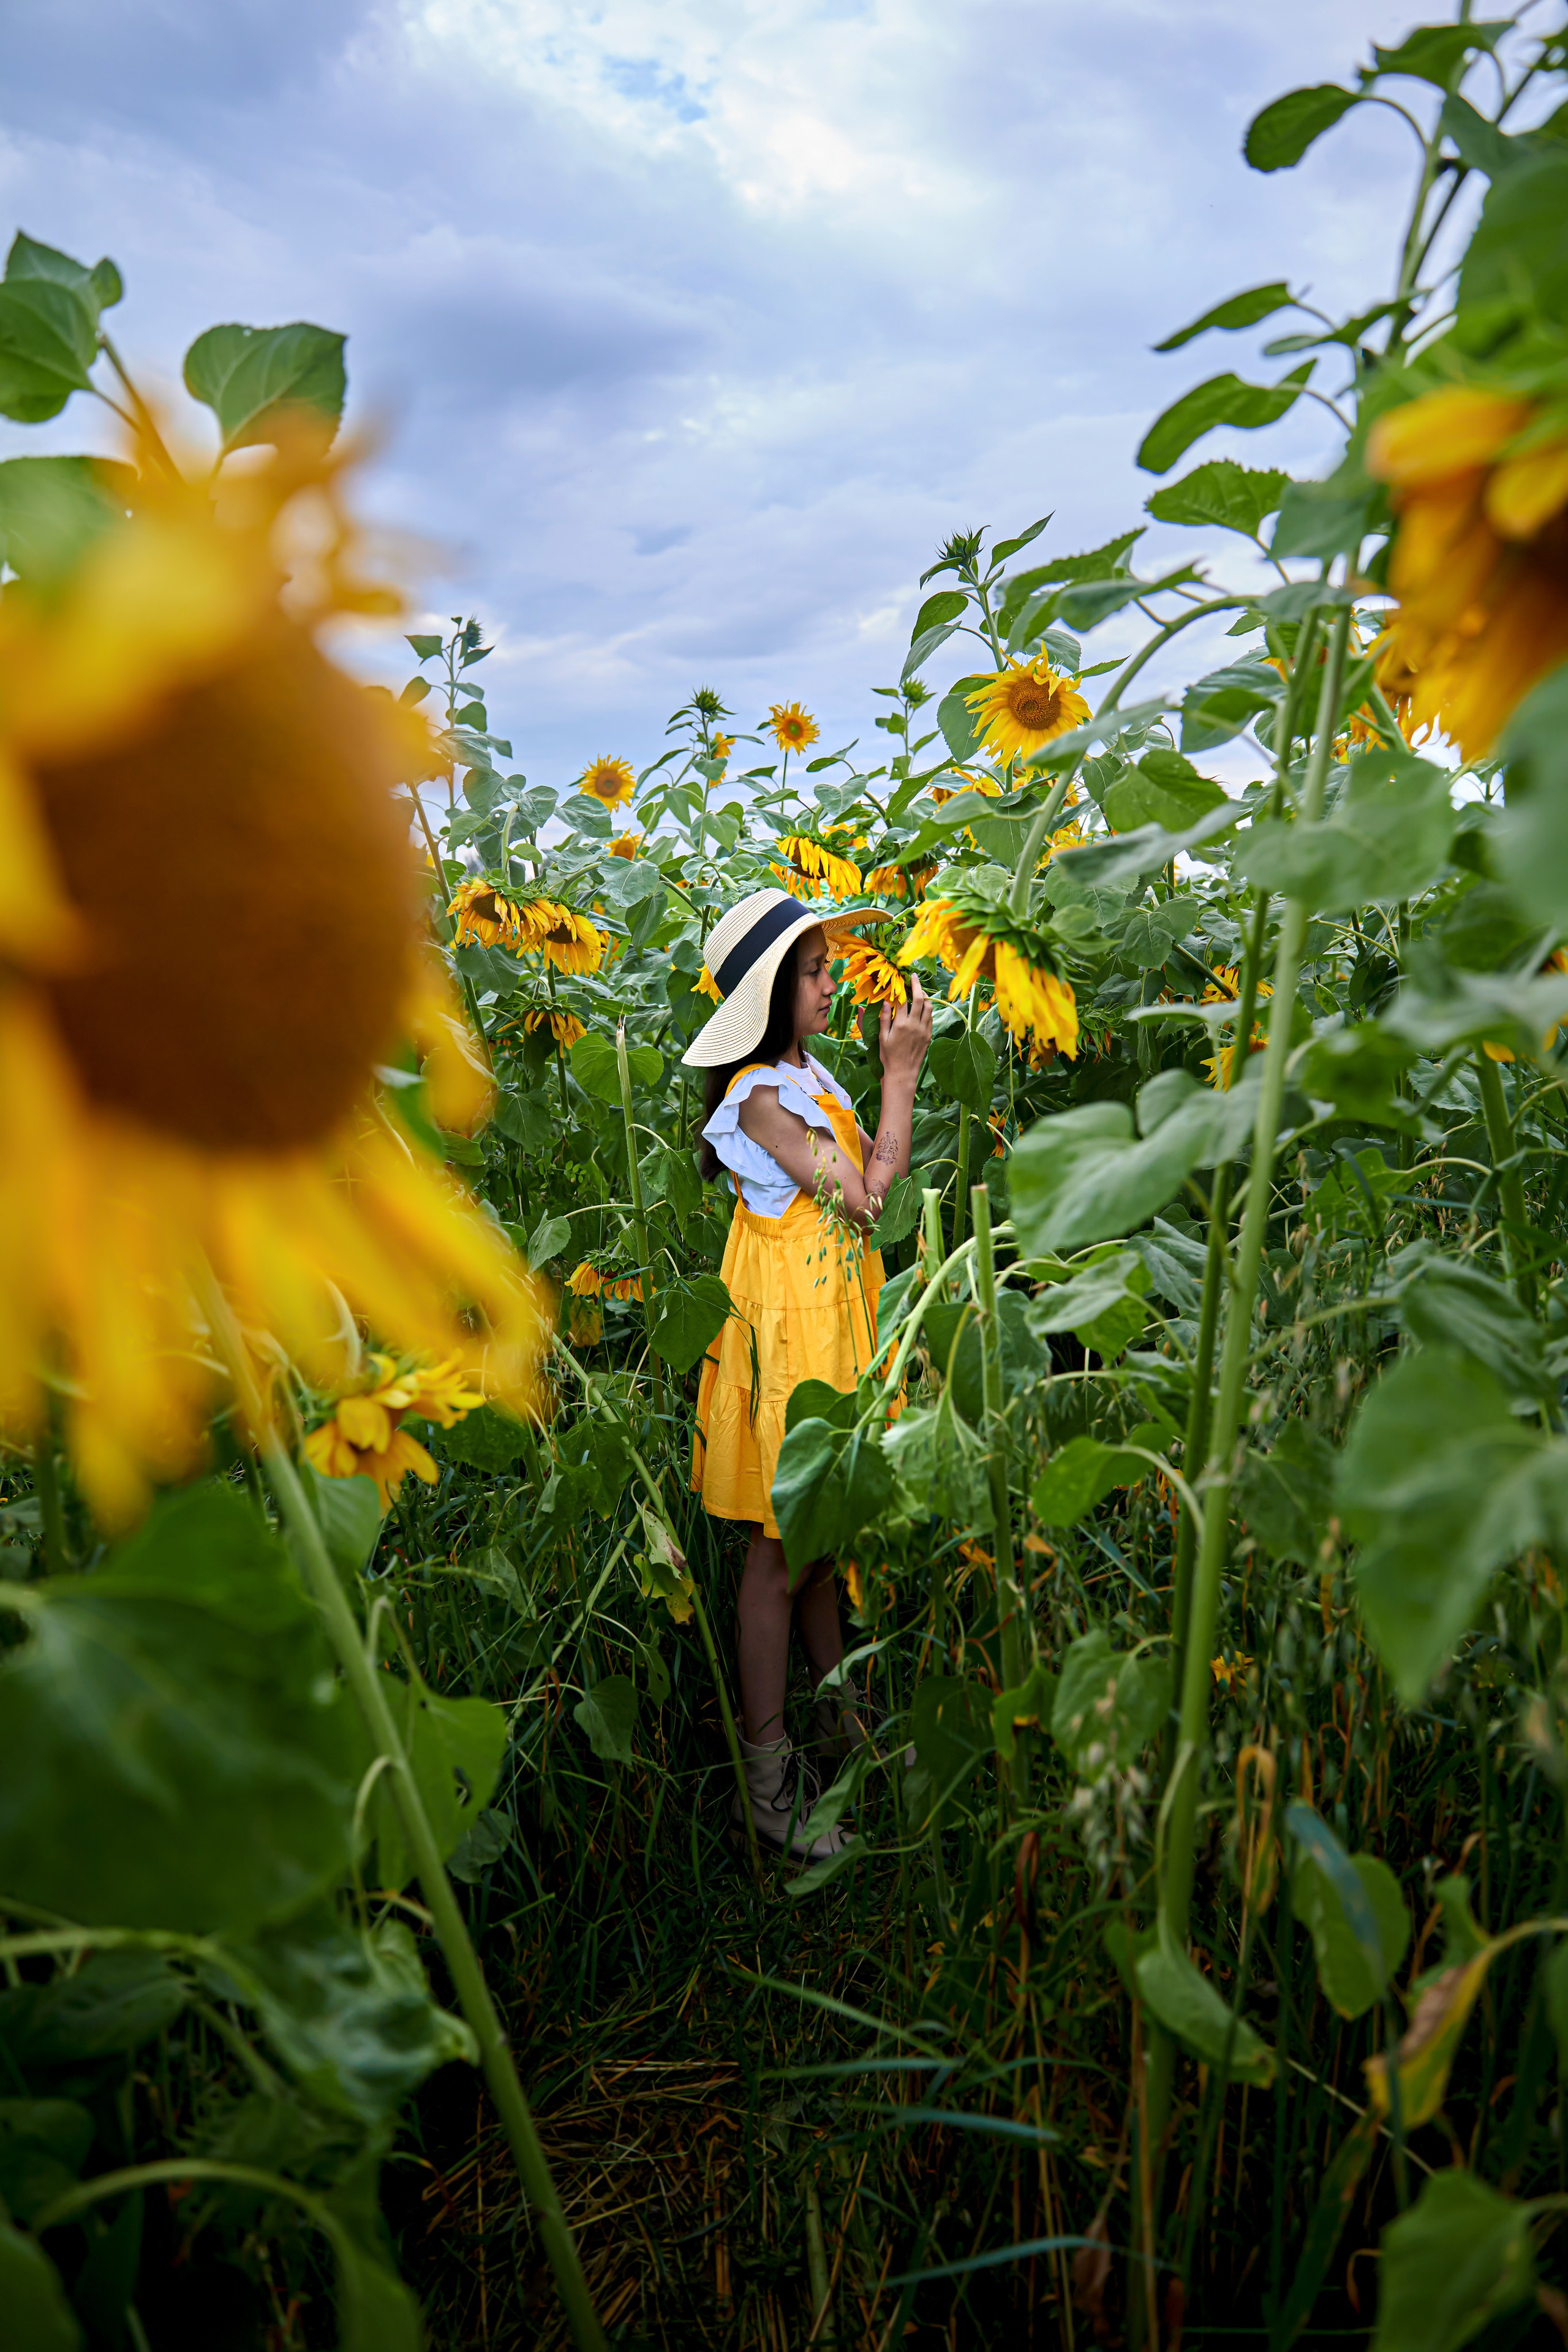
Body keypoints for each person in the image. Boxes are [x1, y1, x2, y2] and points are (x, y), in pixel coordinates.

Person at [681, 885, 932, 1857]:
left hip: (825, 1328)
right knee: (779, 1555)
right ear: (771, 991)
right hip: (789, 1343)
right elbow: (873, 1201)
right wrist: (900, 1076)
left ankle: (848, 1728)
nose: (833, 983)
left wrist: (874, 1076)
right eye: (818, 971)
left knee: (818, 1536)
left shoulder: (805, 1075)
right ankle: (769, 1778)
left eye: (830, 966)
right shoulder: (762, 1095)